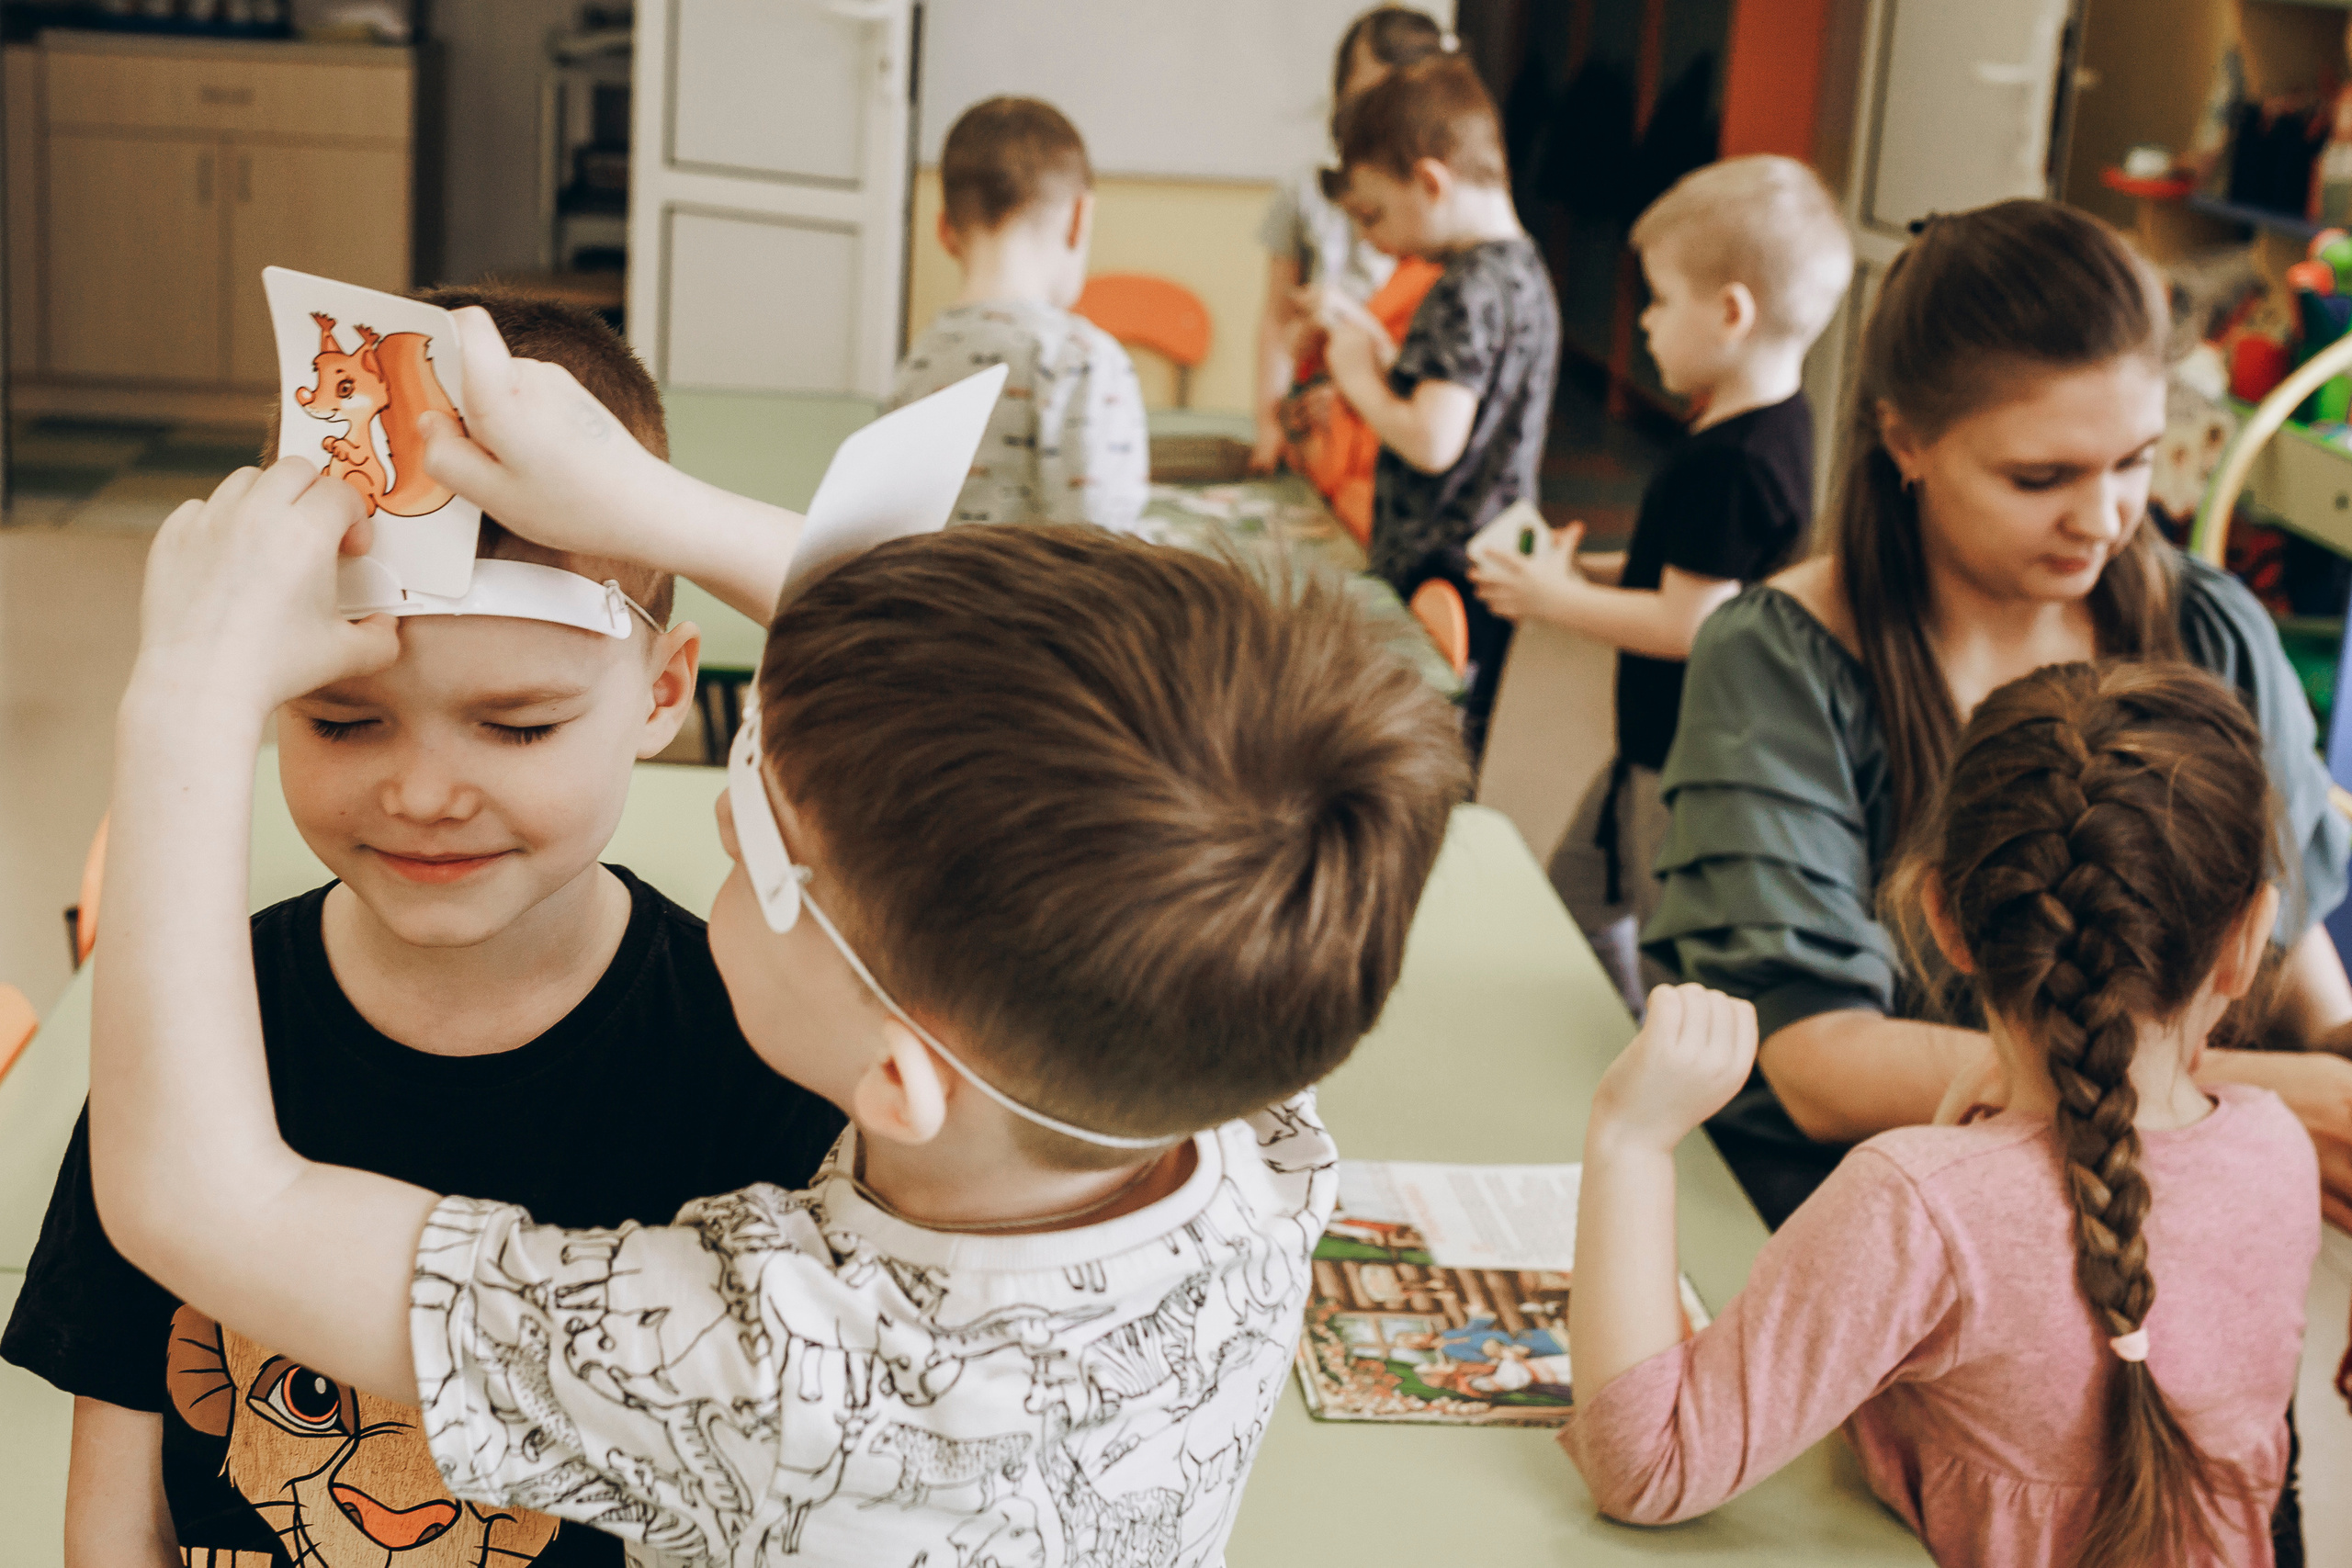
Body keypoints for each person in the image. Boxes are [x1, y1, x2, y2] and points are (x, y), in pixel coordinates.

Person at [80, 306, 1471, 1565]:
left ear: (898, 1073)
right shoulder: (1252, 1139)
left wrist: (189, 688)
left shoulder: (754, 1366)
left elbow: (197, 1200)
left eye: (759, 848)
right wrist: (636, 509)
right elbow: (981, 704)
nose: (724, 847)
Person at [0, 288, 846, 1568]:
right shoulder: (190, 1037)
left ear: (666, 692)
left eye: (518, 725)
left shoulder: (760, 1055)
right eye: (343, 721)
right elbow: (115, 1520)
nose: (425, 791)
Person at [1645, 199, 2352, 1232]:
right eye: (2040, 476)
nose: (2106, 518)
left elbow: (2287, 942)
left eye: (2135, 460)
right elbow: (1818, 1062)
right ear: (1904, 440)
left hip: (2162, 1227)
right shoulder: (1780, 659)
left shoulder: (2213, 629)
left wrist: (2337, 1054)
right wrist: (2259, 1097)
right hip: (1878, 1238)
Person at [1565, 661, 2319, 1567]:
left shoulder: (1918, 1206)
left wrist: (1631, 1142)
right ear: (2246, 939)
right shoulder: (2278, 1152)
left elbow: (1648, 1465)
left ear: (1941, 915)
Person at [1468, 155, 1851, 1013]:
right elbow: (1690, 569)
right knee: (1573, 904)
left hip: (1683, 756)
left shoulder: (1737, 462)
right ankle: (1619, 1026)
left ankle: (1662, 1059)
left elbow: (1691, 621)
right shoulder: (1752, 428)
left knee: (1666, 943)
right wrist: (1584, 570)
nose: (1642, 322)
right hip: (1645, 743)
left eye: (1660, 299)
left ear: (1730, 313)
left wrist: (1552, 601)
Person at [1324, 53, 1561, 764]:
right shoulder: (1523, 270)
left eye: (1374, 212)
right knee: (1458, 742)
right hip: (1487, 555)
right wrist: (1388, 360)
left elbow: (1434, 439)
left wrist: (1355, 376)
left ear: (1431, 182)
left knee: (1415, 748)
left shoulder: (1463, 286)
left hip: (1440, 567)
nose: (1370, 236)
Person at [891, 96, 1150, 534]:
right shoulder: (1084, 360)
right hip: (1048, 604)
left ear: (945, 232)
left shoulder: (919, 362)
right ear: (1079, 219)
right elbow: (1109, 551)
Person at [1250, 5, 1449, 540]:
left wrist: (1353, 341)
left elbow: (1428, 385)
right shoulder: (1304, 190)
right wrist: (1271, 421)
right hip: (1321, 427)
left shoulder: (1440, 227)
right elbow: (1277, 320)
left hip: (1384, 435)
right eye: (1363, 99)